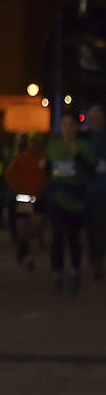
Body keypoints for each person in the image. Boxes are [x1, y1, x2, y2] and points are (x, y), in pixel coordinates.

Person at [44, 112, 98, 294]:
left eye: (71, 124)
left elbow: (91, 171)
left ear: (77, 127)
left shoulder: (85, 147)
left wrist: (78, 156)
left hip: (77, 199)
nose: (67, 128)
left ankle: (75, 270)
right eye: (64, 124)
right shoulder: (53, 147)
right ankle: (57, 272)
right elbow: (48, 169)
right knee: (57, 237)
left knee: (73, 237)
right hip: (57, 198)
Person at [4, 133, 49, 272]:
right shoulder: (22, 158)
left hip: (39, 197)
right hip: (25, 197)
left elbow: (50, 174)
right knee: (23, 229)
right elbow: (9, 173)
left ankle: (32, 259)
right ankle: (23, 246)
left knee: (35, 230)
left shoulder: (44, 159)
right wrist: (17, 186)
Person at [85, 104, 106, 282]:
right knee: (91, 229)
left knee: (99, 227)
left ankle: (99, 263)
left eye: (98, 118)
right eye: (93, 118)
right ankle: (94, 260)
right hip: (86, 191)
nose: (95, 121)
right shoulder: (85, 138)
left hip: (101, 191)